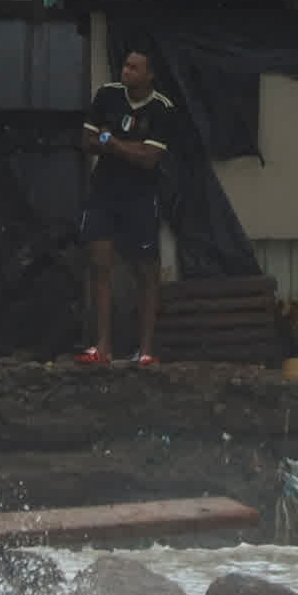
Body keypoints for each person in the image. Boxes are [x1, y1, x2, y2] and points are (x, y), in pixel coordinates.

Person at [77, 46, 186, 364]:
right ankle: (102, 347)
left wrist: (111, 142)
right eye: (125, 65)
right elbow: (85, 141)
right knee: (101, 265)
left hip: (140, 196)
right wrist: (128, 149)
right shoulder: (108, 95)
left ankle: (146, 351)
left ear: (150, 74)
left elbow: (149, 159)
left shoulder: (162, 108)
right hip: (104, 192)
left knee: (146, 273)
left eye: (134, 68)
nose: (126, 72)